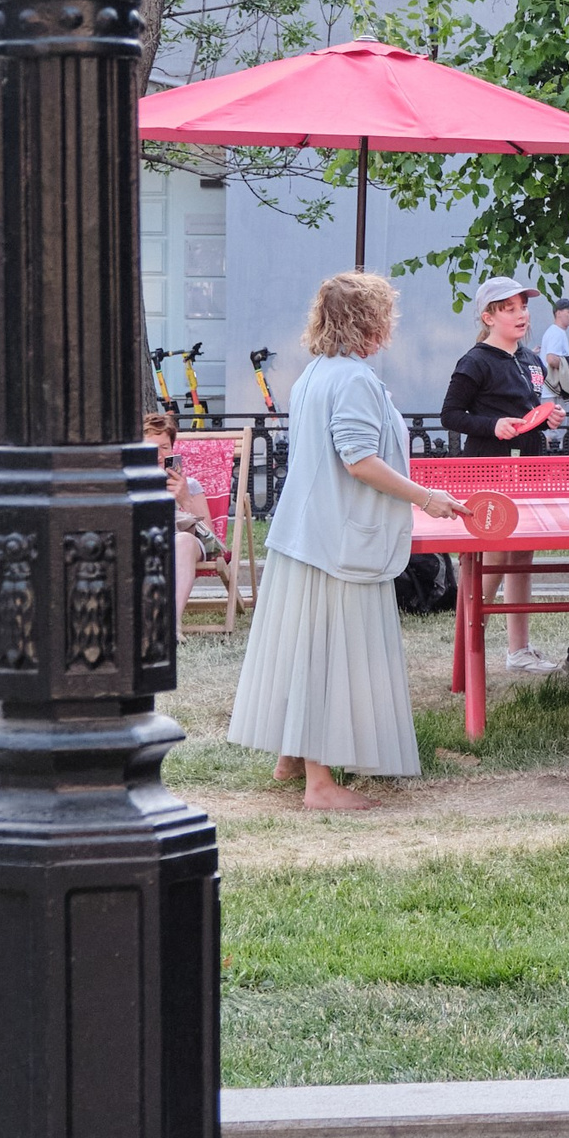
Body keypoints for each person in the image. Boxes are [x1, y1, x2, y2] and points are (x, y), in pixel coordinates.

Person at [229, 271, 471, 811]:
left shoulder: (315, 373)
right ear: (371, 321)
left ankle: (290, 760)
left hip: (306, 533)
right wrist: (427, 497)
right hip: (334, 540)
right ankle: (319, 784)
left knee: (301, 648)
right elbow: (359, 461)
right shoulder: (355, 379)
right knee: (327, 654)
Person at [440, 276, 566, 673]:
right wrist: (492, 426)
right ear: (488, 316)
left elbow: (528, 408)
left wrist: (548, 419)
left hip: (527, 466)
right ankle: (467, 648)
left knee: (522, 552)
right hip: (487, 469)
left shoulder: (530, 359)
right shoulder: (473, 361)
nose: (521, 314)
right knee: (491, 553)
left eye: (523, 307)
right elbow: (451, 415)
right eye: (509, 308)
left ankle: (518, 651)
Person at [142, 408, 220, 630]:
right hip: (148, 541)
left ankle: (171, 625)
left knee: (183, 541)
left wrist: (185, 499)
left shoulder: (191, 485)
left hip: (183, 543)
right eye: (151, 448)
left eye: (164, 448)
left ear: (173, 450)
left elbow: (211, 538)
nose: (159, 456)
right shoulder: (131, 486)